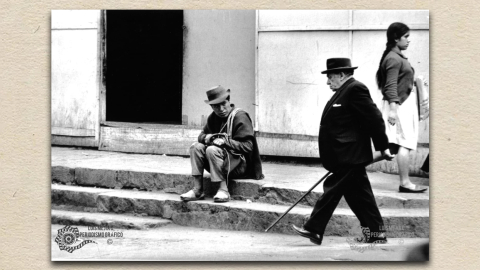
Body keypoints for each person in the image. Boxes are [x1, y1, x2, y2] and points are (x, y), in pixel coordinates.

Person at [292, 58, 395, 245]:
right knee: (359, 196)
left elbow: (374, 119)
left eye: (330, 77)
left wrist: (383, 147)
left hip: (350, 155)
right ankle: (376, 233)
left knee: (333, 188)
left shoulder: (355, 89)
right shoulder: (342, 91)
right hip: (345, 154)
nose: (327, 81)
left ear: (341, 74)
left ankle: (313, 229)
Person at [180, 85, 263, 203]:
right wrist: (208, 138)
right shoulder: (214, 117)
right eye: (216, 106)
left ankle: (223, 190)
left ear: (229, 100)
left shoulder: (240, 116)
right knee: (195, 147)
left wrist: (225, 142)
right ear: (211, 106)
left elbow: (248, 146)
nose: (221, 109)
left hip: (240, 166)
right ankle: (197, 189)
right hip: (221, 164)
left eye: (223, 104)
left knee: (211, 150)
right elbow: (201, 136)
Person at [376, 22, 429, 193]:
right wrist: (393, 110)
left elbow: (398, 82)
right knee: (404, 144)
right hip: (399, 106)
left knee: (390, 148)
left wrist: (413, 82)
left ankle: (349, 167)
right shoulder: (393, 58)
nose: (408, 40)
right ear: (395, 38)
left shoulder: (396, 57)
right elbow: (390, 86)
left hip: (402, 104)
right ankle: (405, 183)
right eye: (406, 37)